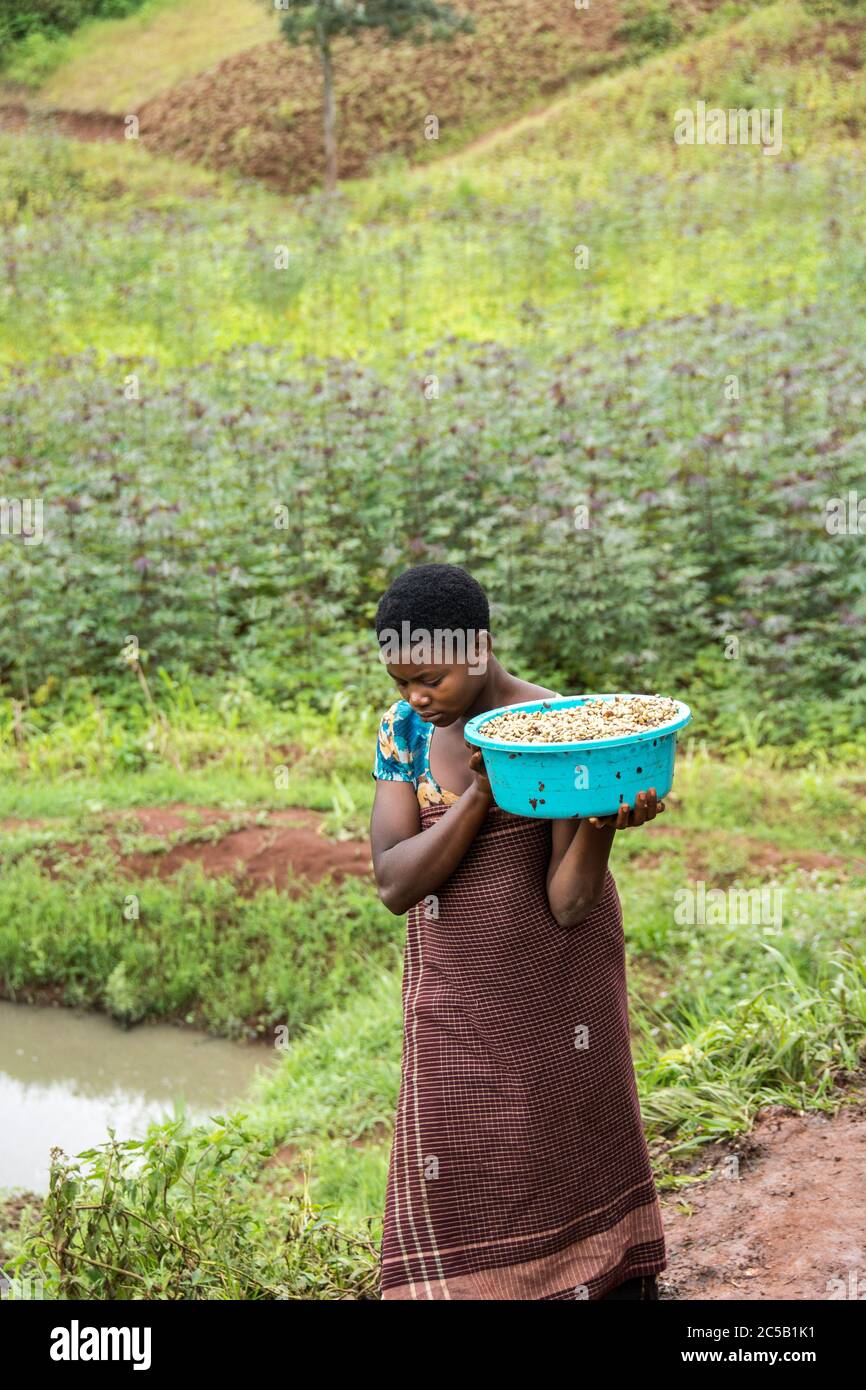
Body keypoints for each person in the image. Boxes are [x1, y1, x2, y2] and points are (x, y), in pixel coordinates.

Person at [369, 563, 666, 1301]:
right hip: (457, 990)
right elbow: (395, 881)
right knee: (462, 1141)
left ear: (480, 649)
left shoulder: (555, 726)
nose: (415, 695)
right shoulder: (403, 734)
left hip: (556, 982)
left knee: (565, 1131)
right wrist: (477, 796)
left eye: (431, 678)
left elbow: (568, 903)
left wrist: (600, 821)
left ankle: (596, 1277)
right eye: (401, 678)